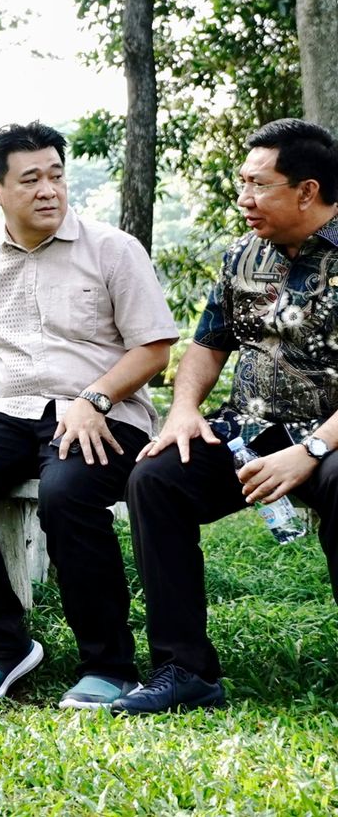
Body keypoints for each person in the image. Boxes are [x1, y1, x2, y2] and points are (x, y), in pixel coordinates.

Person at [0, 122, 177, 709]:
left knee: (67, 494)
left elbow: (154, 348)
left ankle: (108, 665)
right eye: (31, 179)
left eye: (56, 176)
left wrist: (95, 398)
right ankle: (1, 645)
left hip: (105, 409)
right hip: (11, 408)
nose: (49, 190)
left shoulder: (112, 249)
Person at [115, 119, 338, 714]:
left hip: (331, 438)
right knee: (156, 479)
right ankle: (183, 670)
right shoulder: (242, 255)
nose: (244, 198)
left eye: (259, 185)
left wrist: (311, 451)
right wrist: (184, 411)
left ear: (308, 191)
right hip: (251, 429)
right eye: (242, 182)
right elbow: (208, 345)